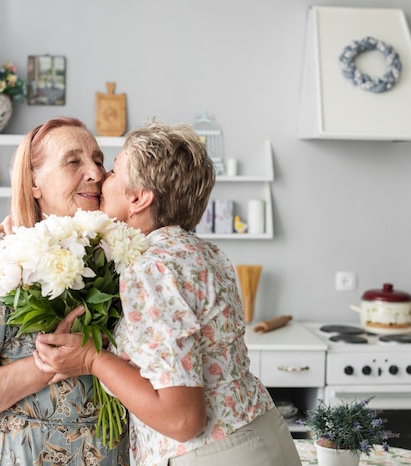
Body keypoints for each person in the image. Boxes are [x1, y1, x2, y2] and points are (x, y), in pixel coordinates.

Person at [34, 121, 302, 466]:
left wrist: (91, 358)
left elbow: (182, 420)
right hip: (262, 434)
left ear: (139, 198)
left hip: (212, 454)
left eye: (114, 170)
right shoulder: (201, 253)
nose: (102, 178)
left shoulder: (152, 268)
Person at [0, 116, 129, 465]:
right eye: (73, 161)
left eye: (98, 160)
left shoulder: (119, 259)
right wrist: (45, 365)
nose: (96, 173)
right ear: (34, 182)